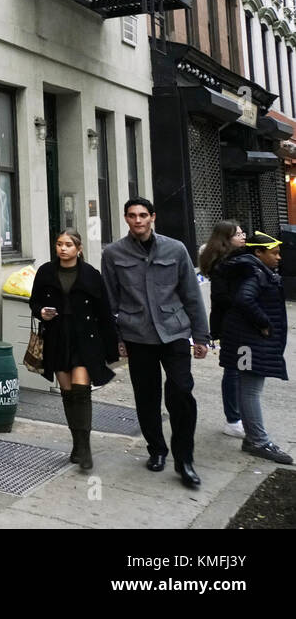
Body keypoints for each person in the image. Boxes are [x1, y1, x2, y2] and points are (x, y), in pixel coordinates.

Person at [101, 197, 210, 488]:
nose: (138, 220)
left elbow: (191, 294)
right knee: (146, 397)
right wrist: (117, 340)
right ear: (126, 219)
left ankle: (184, 458)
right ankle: (157, 450)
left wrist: (201, 336)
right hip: (137, 335)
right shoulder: (113, 253)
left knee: (182, 392)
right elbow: (110, 300)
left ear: (153, 217)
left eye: (143, 215)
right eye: (132, 216)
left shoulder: (175, 249)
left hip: (174, 332)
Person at [28, 228, 119, 470]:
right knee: (67, 392)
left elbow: (104, 312)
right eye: (59, 244)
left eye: (68, 244)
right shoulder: (46, 271)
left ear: (79, 249)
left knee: (81, 389)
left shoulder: (90, 274)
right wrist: (41, 312)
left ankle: (85, 447)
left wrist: (113, 347)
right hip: (58, 336)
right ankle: (77, 444)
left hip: (85, 338)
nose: (63, 248)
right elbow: (34, 301)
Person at [215, 231, 292, 464]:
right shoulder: (254, 273)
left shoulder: (252, 269)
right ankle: (258, 440)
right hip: (247, 340)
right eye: (274, 253)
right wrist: (264, 323)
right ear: (258, 252)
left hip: (245, 339)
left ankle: (253, 437)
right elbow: (244, 299)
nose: (279, 258)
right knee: (250, 390)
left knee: (247, 388)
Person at [197, 219, 247, 437]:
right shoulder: (223, 265)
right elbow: (221, 297)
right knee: (235, 370)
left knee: (242, 369)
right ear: (226, 239)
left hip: (240, 324)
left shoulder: (238, 259)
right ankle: (233, 419)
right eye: (238, 234)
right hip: (232, 325)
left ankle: (241, 416)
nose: (243, 236)